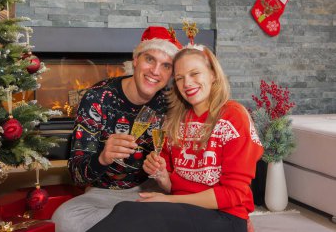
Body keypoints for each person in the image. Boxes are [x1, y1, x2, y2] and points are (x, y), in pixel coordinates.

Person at [87, 45, 263, 232]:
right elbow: (174, 186)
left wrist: (169, 200)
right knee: (125, 209)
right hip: (184, 210)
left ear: (212, 74)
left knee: (142, 216)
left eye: (195, 74)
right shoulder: (176, 121)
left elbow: (234, 194)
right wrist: (162, 176)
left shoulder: (232, 115)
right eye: (180, 78)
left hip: (225, 217)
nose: (187, 83)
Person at [51, 26, 183, 232]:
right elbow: (76, 175)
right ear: (136, 59)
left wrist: (164, 176)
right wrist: (102, 158)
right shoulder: (97, 97)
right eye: (150, 59)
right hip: (103, 194)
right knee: (64, 219)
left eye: (166, 66)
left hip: (151, 192)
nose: (156, 71)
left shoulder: (171, 103)